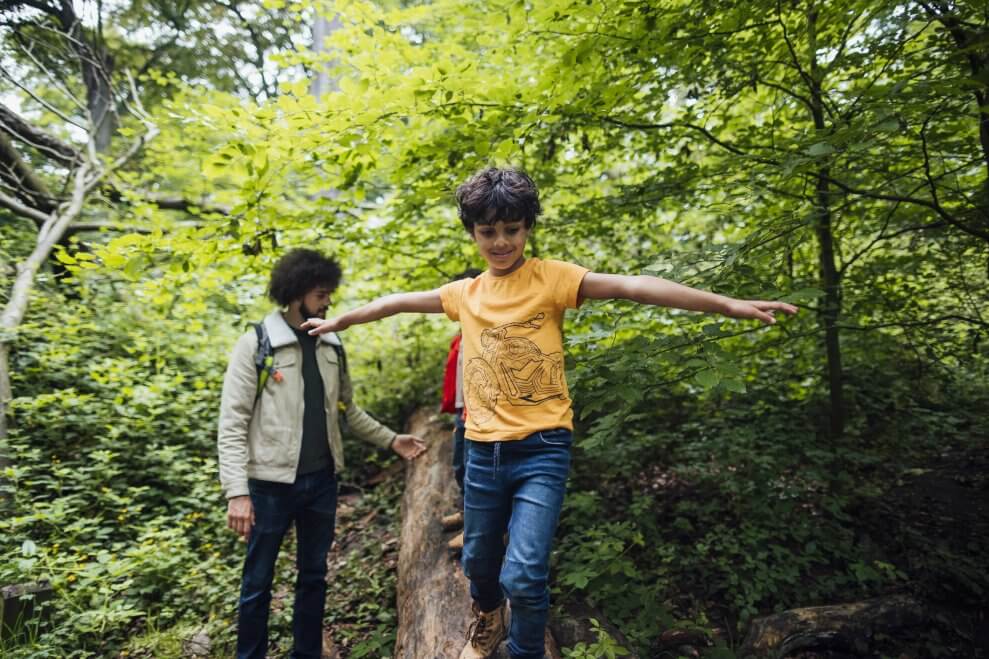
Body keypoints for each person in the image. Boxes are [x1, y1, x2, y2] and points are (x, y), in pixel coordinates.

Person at [303, 168, 797, 659]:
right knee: (478, 563)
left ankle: (525, 651)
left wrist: (726, 304)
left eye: (512, 229)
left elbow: (633, 286)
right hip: (482, 452)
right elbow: (396, 303)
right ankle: (489, 615)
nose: (501, 242)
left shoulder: (552, 279)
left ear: (528, 227)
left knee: (524, 572)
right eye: (488, 231)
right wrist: (342, 320)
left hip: (542, 450)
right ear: (472, 233)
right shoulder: (466, 293)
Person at [217, 248, 425, 659]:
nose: (328, 301)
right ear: (296, 293)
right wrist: (237, 492)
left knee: (314, 576)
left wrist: (391, 439)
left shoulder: (331, 344)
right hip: (269, 486)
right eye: (320, 294)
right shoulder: (257, 344)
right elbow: (232, 423)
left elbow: (348, 411)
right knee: (257, 581)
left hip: (321, 483)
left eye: (329, 293)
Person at [440, 268, 483, 554]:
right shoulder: (462, 335)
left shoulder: (486, 331)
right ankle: (468, 514)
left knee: (475, 470)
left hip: (481, 414)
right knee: (460, 465)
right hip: (464, 412)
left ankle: (479, 530)